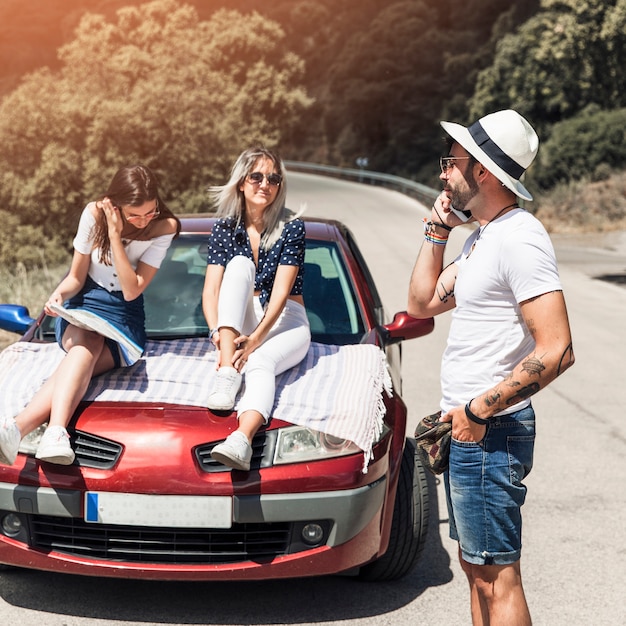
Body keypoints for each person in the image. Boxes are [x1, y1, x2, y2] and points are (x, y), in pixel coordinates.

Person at [407, 109, 574, 625]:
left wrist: (478, 408)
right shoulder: (483, 238)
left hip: (489, 431)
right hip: (470, 431)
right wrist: (438, 228)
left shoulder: (520, 237)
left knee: (499, 577)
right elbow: (421, 304)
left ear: (482, 171)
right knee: (477, 570)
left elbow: (558, 348)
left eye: (452, 162)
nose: (443, 173)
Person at [0, 164, 180, 466]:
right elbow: (75, 277)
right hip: (84, 306)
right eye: (134, 214)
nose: (142, 220)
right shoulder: (93, 214)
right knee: (87, 344)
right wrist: (59, 295)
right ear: (115, 204)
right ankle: (56, 432)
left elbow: (132, 289)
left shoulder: (165, 227)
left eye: (150, 211)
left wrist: (115, 234)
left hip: (124, 316)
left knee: (82, 357)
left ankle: (17, 428)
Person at [202, 146, 311, 472]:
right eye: (257, 176)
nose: (266, 184)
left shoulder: (293, 226)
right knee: (237, 265)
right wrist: (218, 333)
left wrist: (254, 341)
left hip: (286, 320)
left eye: (273, 178)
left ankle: (242, 439)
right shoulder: (224, 228)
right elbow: (211, 291)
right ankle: (226, 371)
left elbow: (279, 296)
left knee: (260, 360)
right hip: (238, 317)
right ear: (241, 182)